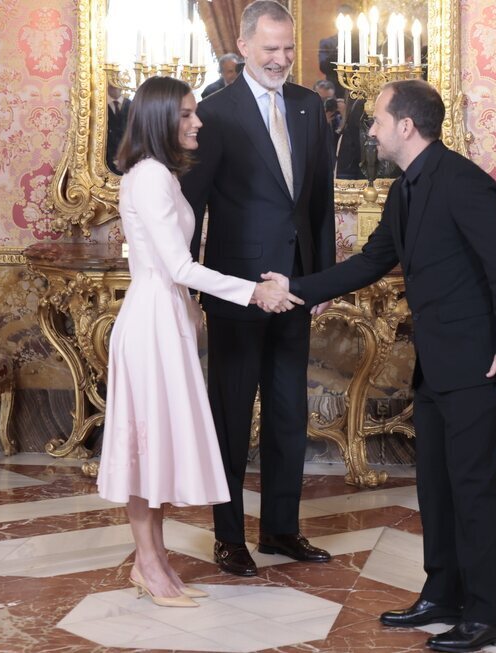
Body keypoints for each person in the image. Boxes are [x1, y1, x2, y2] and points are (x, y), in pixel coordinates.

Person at [276, 79, 496, 652]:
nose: (369, 130)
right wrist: (298, 288)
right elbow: (372, 260)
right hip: (437, 366)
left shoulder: (464, 183)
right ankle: (442, 594)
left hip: (482, 366)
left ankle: (489, 614)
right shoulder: (405, 190)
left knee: (473, 488)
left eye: (376, 121)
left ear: (405, 127)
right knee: (437, 487)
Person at [97, 76, 302, 608]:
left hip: (168, 319)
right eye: (187, 115)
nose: (198, 122)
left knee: (158, 447)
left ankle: (156, 561)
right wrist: (254, 293)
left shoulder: (160, 174)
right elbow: (180, 265)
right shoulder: (147, 177)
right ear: (163, 119)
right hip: (150, 324)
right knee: (146, 449)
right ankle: (147, 563)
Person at [180, 0, 337, 578]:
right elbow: (192, 208)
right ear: (243, 46)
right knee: (230, 414)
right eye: (270, 48)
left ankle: (280, 529)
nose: (282, 59)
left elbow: (318, 201)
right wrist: (194, 288)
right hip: (235, 290)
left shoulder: (306, 107)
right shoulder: (213, 114)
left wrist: (316, 278)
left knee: (289, 413)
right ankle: (228, 536)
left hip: (294, 286)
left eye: (288, 48)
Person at [105, 84, 131, 175]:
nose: (114, 87)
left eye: (116, 84)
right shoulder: (101, 106)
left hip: (128, 155)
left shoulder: (131, 105)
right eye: (111, 85)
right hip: (106, 157)